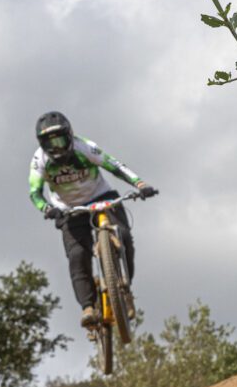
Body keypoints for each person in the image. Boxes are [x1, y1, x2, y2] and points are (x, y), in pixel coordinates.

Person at [29, 111, 157, 328]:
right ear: (42, 144)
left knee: (124, 236)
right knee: (77, 255)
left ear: (69, 136)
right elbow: (35, 193)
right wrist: (48, 209)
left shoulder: (85, 147)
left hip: (101, 196)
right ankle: (88, 307)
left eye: (60, 140)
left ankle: (124, 290)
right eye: (50, 143)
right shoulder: (39, 161)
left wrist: (140, 184)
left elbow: (114, 165)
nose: (56, 148)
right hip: (69, 208)